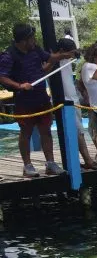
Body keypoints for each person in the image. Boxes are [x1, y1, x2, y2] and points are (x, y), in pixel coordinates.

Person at [0, 23, 73, 177]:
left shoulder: (35, 49)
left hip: (41, 96)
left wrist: (64, 55)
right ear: (23, 40)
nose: (34, 40)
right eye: (31, 38)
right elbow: (2, 77)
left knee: (46, 130)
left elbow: (49, 57)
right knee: (25, 132)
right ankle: (27, 166)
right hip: (24, 99)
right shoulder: (9, 55)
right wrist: (20, 85)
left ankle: (50, 163)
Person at [55, 37, 97, 170]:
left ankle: (81, 160)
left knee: (77, 131)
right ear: (63, 51)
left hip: (73, 100)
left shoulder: (67, 61)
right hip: (66, 101)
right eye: (71, 52)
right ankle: (88, 160)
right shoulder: (56, 62)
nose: (73, 55)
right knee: (78, 131)